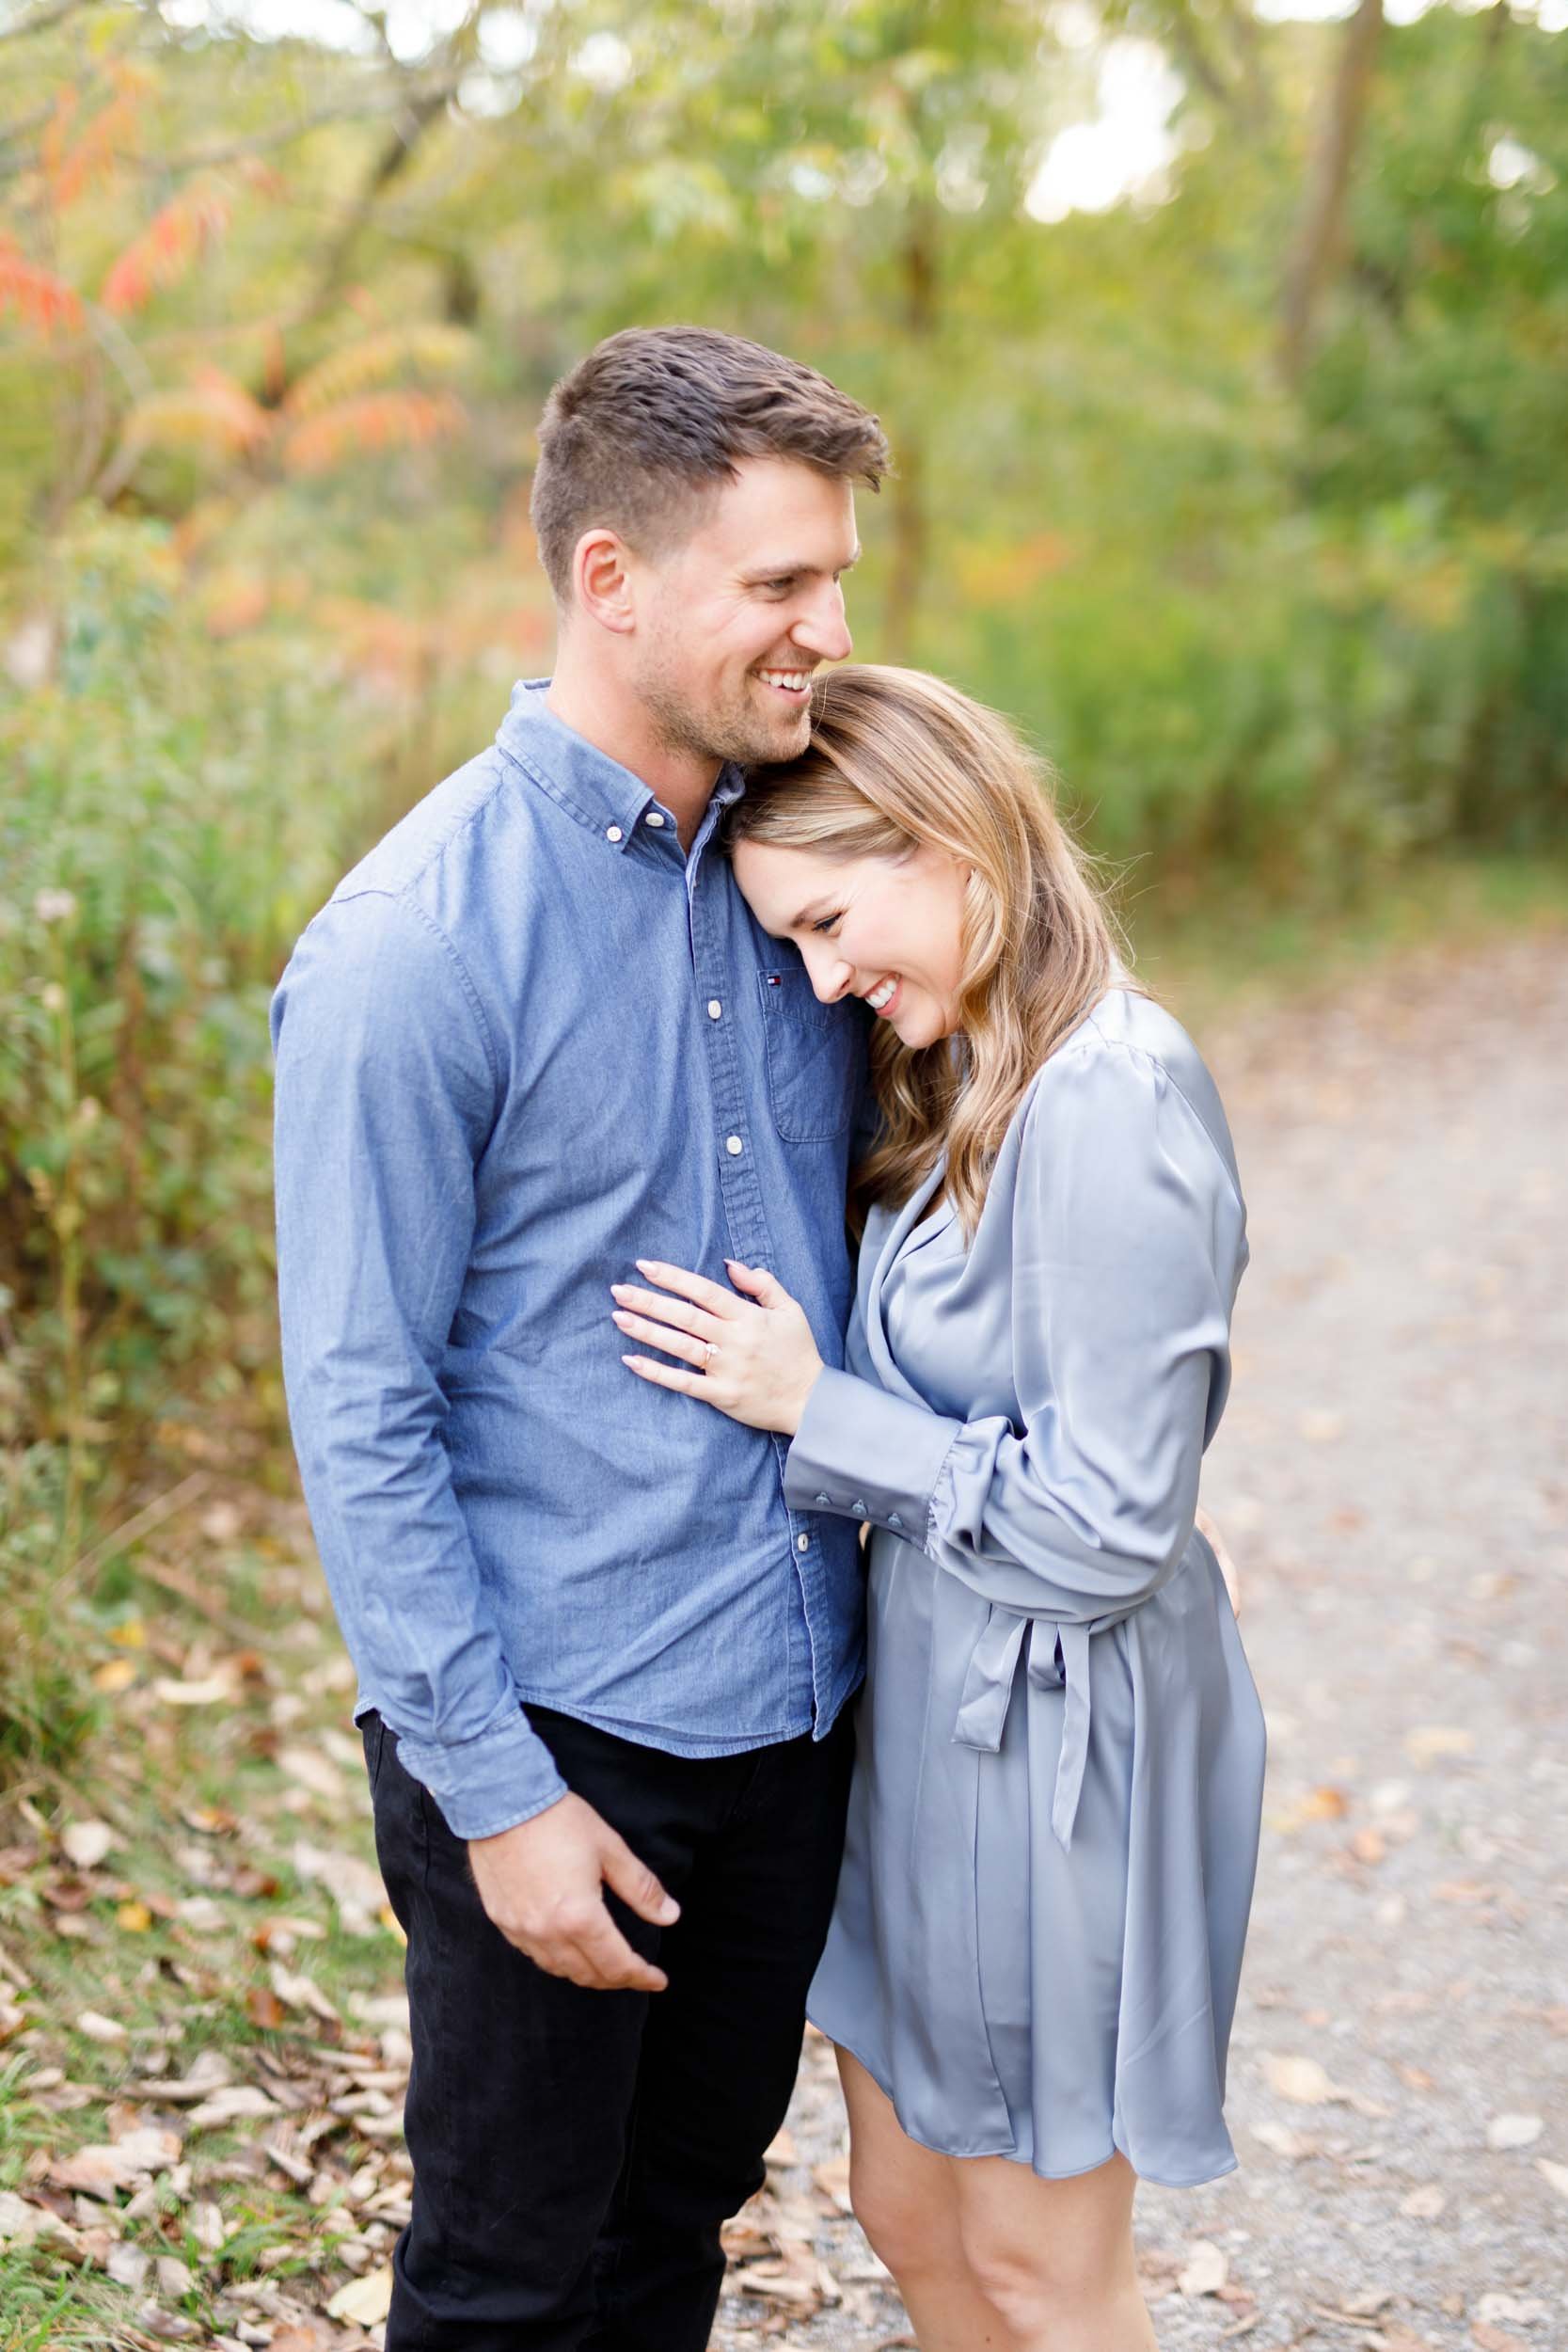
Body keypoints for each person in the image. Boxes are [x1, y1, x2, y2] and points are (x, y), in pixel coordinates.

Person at [269, 326, 893, 2350]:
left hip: (790, 1718)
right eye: (781, 582)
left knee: (673, 2231)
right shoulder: (414, 942)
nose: (827, 626)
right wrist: (497, 1796)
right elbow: (360, 1408)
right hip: (564, 1739)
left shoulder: (821, 868)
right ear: (611, 579)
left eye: (838, 578)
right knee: (507, 2280)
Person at [613, 663, 1267, 2352]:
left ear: (948, 838)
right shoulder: (967, 1070)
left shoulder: (1109, 1095)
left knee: (1045, 2266)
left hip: (1051, 1757)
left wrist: (810, 1410)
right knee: (908, 2212)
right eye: (798, 949)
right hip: (928, 1713)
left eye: (835, 920)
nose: (831, 979)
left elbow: (1113, 1530)